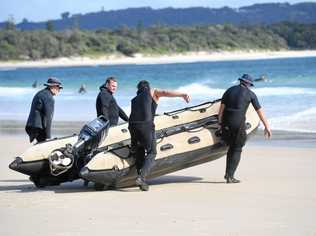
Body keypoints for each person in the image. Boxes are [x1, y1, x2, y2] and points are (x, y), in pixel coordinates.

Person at [129, 80, 190, 191]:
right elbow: (165, 92)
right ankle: (141, 178)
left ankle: (140, 179)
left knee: (139, 151)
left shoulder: (134, 99)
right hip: (145, 126)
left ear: (138, 89)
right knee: (152, 152)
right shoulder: (151, 91)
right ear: (148, 87)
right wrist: (182, 94)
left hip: (132, 126)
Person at [218, 74, 272, 183]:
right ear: (248, 84)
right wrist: (267, 126)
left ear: (241, 81)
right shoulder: (251, 94)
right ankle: (230, 177)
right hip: (238, 124)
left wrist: (220, 123)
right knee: (237, 148)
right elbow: (259, 112)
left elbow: (221, 110)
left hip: (226, 124)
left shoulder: (229, 90)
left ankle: (228, 174)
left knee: (231, 148)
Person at [25, 77, 63, 143]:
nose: (59, 90)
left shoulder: (41, 93)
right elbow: (48, 118)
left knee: (40, 145)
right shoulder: (49, 97)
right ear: (53, 87)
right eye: (58, 87)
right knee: (43, 146)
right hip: (39, 128)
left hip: (33, 126)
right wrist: (48, 136)